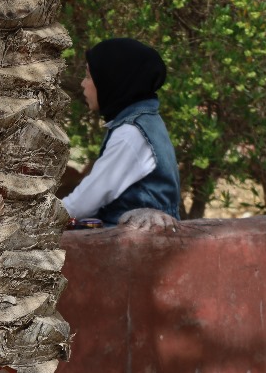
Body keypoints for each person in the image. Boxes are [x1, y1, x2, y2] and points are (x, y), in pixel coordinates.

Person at [62, 38, 181, 231]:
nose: (83, 84)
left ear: (111, 80)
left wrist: (38, 220)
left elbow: (83, 203)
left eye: (89, 76)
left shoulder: (131, 133)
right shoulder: (146, 121)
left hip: (137, 241)